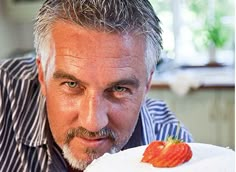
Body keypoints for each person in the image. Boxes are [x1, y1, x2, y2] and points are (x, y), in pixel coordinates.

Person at [0, 0, 193, 171]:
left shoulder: (171, 141)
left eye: (119, 89)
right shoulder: (4, 97)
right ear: (42, 75)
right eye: (72, 84)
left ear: (147, 84)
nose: (93, 123)